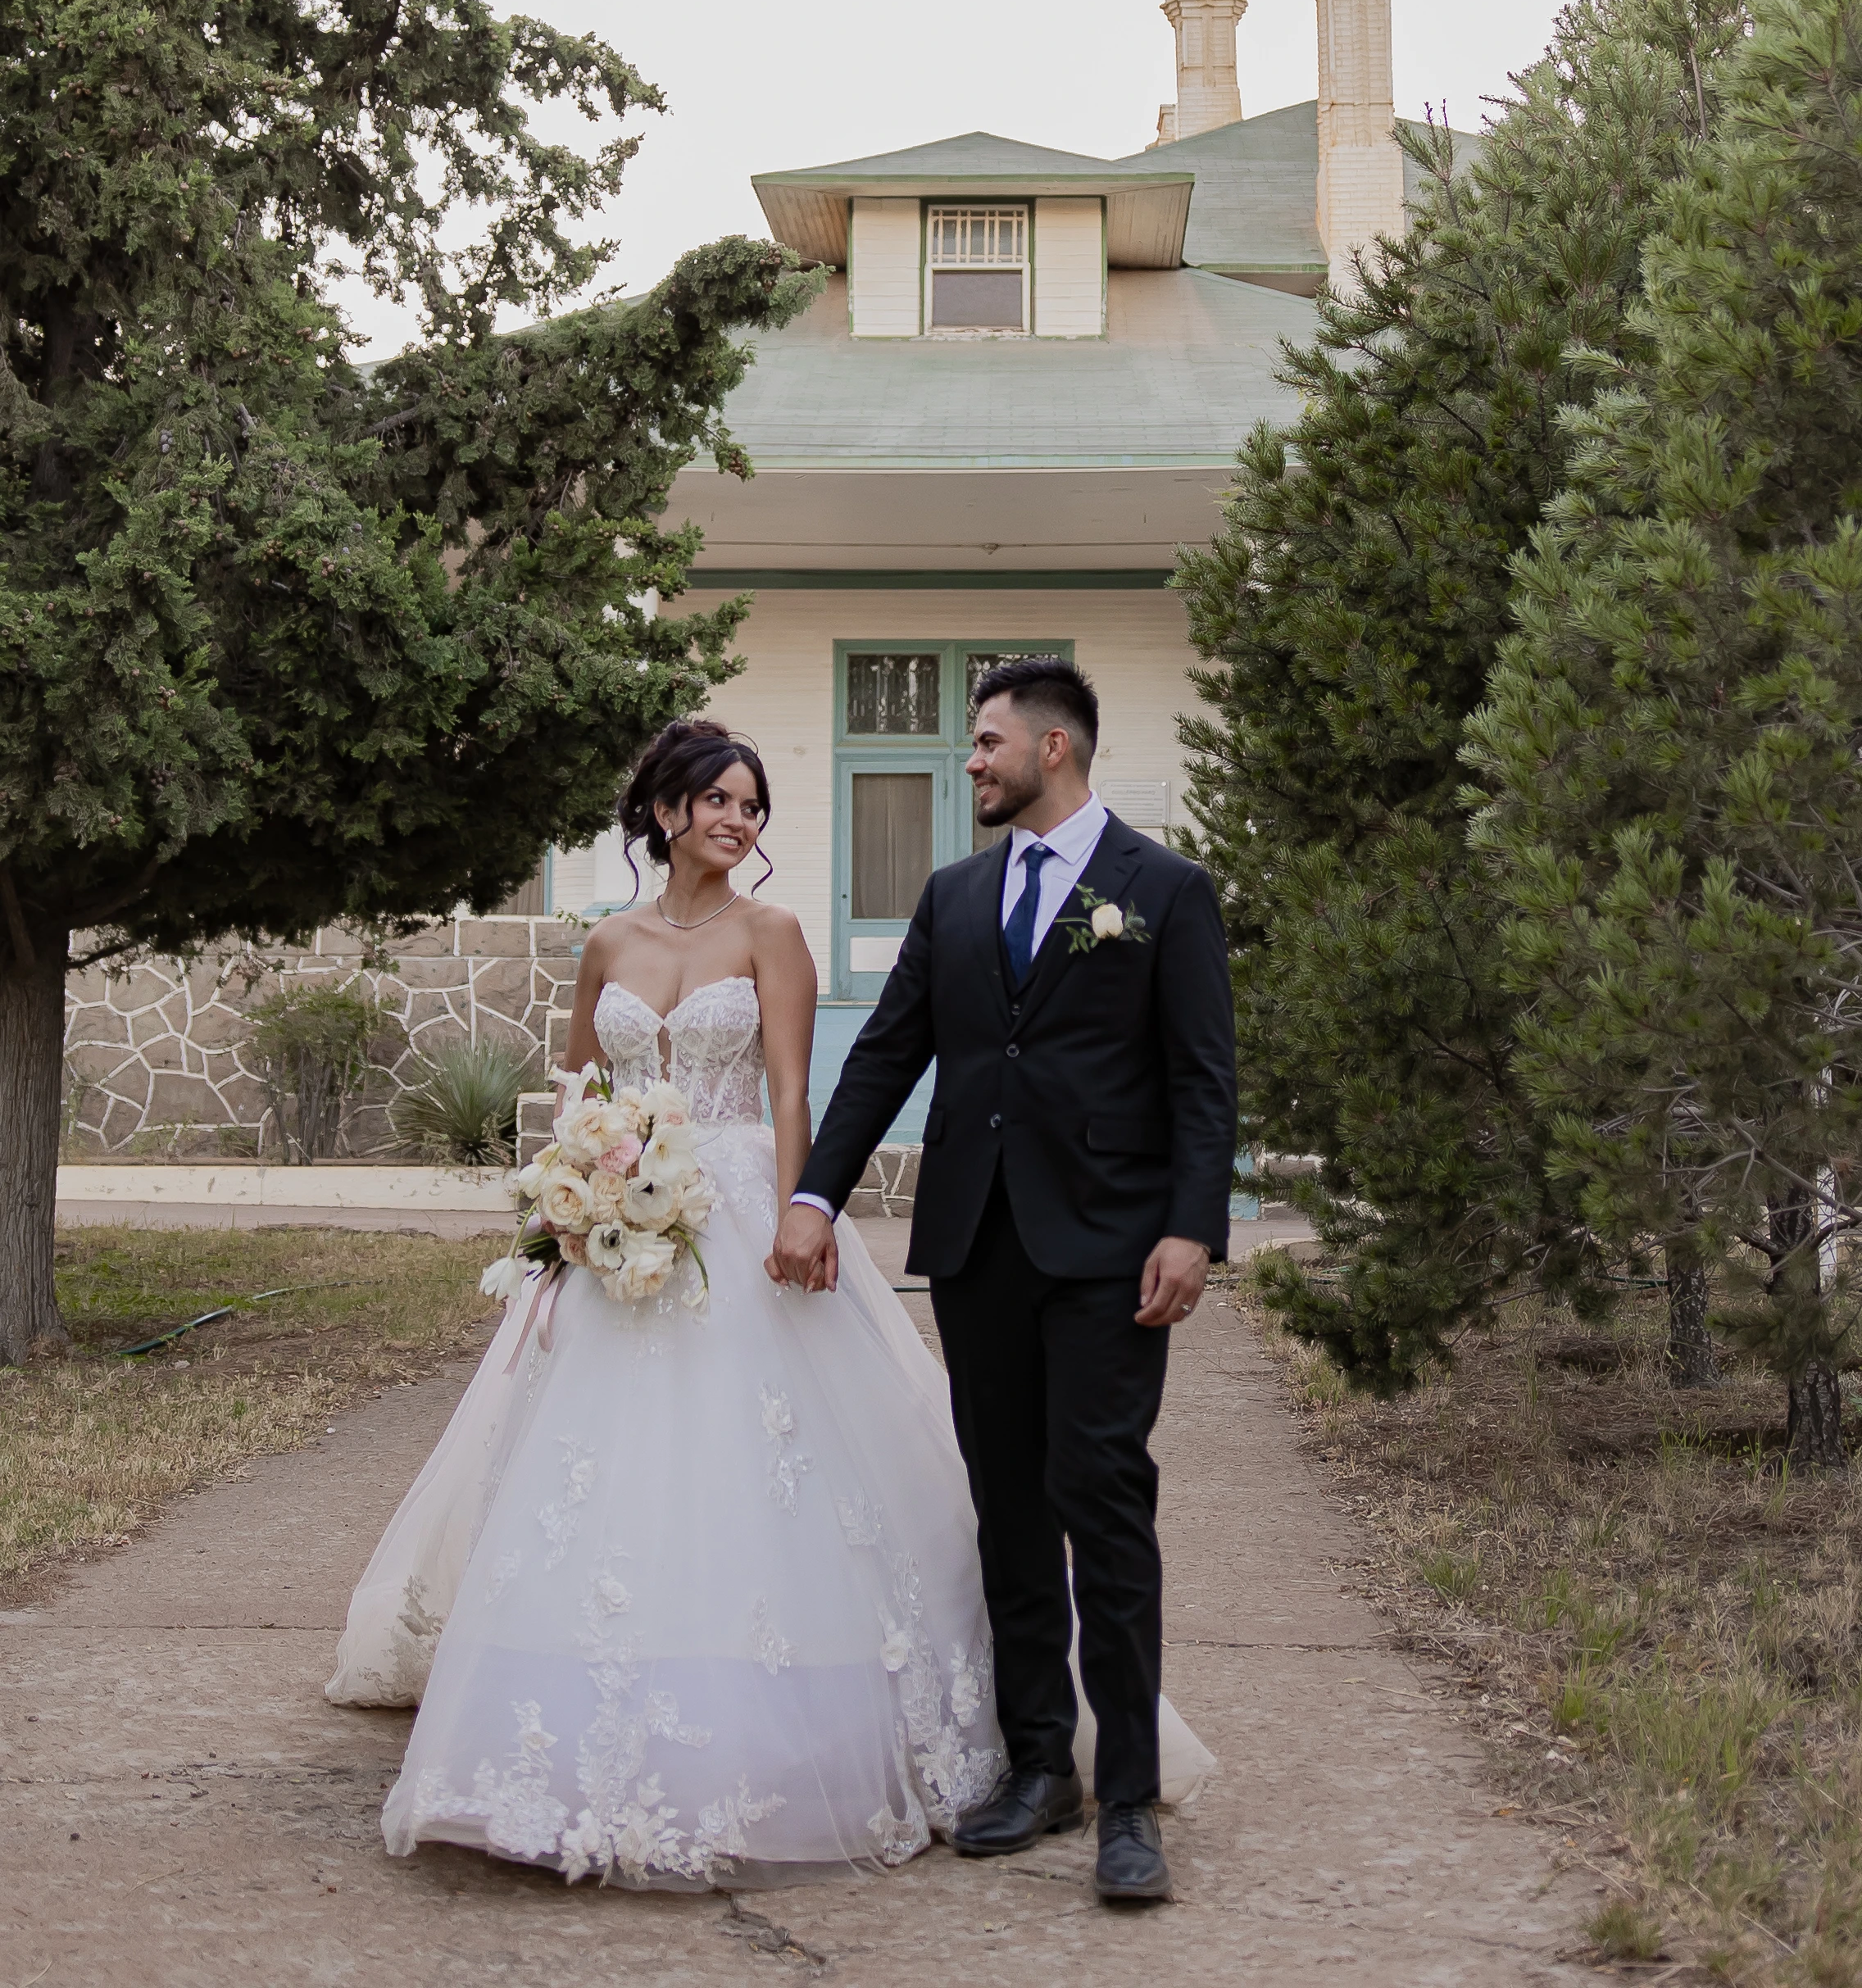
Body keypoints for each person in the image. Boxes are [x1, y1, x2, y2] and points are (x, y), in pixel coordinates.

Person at [327, 719, 1007, 1887]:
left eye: (753, 806)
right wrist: (572, 1193)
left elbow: (794, 1084)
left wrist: (806, 1209)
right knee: (597, 1468)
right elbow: (581, 1084)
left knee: (757, 1461)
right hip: (615, 1214)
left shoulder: (774, 932)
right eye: (719, 802)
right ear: (665, 813)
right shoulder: (607, 943)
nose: (739, 822)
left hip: (737, 1201)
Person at [772, 657, 1236, 1907]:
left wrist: (1195, 1229)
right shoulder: (956, 895)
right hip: (976, 1248)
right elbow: (884, 1055)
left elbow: (1202, 1077)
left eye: (983, 743)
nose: (966, 762)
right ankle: (1041, 1768)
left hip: (1109, 1253)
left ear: (1055, 750)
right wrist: (815, 1195)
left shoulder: (1165, 892)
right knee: (1010, 1515)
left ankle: (1127, 1800)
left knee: (1104, 1505)